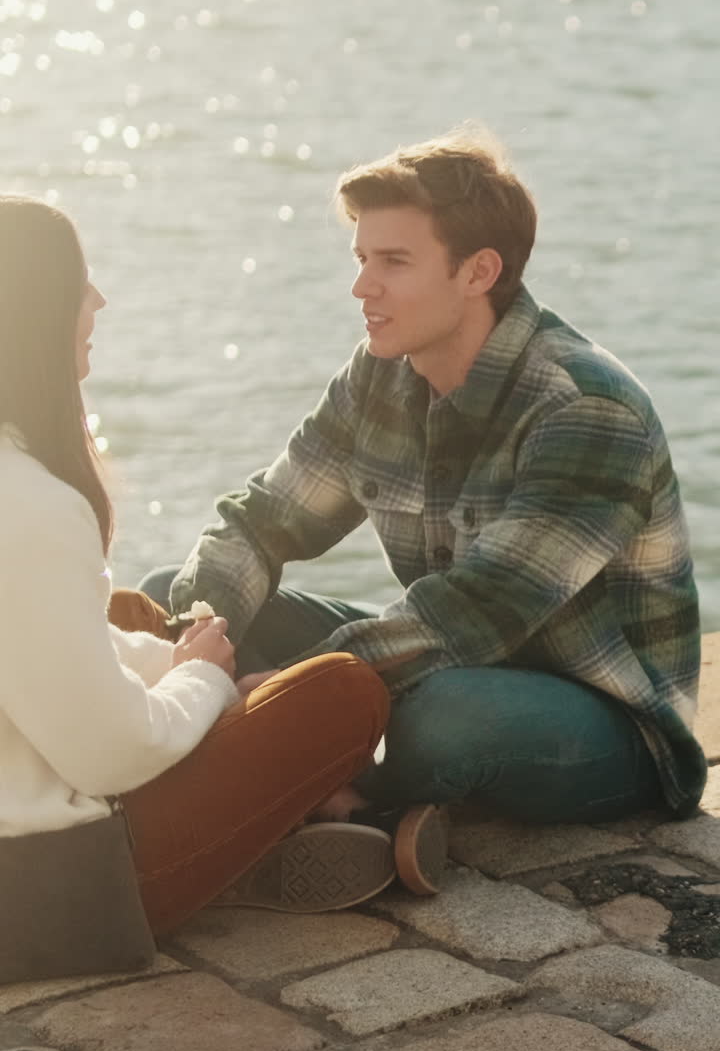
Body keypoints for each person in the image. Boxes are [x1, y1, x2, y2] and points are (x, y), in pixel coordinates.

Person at [148, 127, 706, 826]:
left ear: (478, 273)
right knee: (181, 598)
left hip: (603, 719)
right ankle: (323, 797)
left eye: (393, 261)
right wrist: (200, 643)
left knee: (442, 723)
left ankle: (332, 802)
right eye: (359, 258)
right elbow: (263, 521)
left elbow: (481, 610)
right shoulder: (379, 375)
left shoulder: (585, 407)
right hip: (446, 659)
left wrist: (296, 689)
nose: (361, 286)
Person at [0, 198, 445, 985]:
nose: (97, 302)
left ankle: (276, 834)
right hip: (50, 889)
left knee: (138, 616)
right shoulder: (27, 508)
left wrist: (189, 671)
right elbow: (109, 753)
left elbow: (40, 642)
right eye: (79, 284)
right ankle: (296, 825)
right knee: (342, 691)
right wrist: (205, 683)